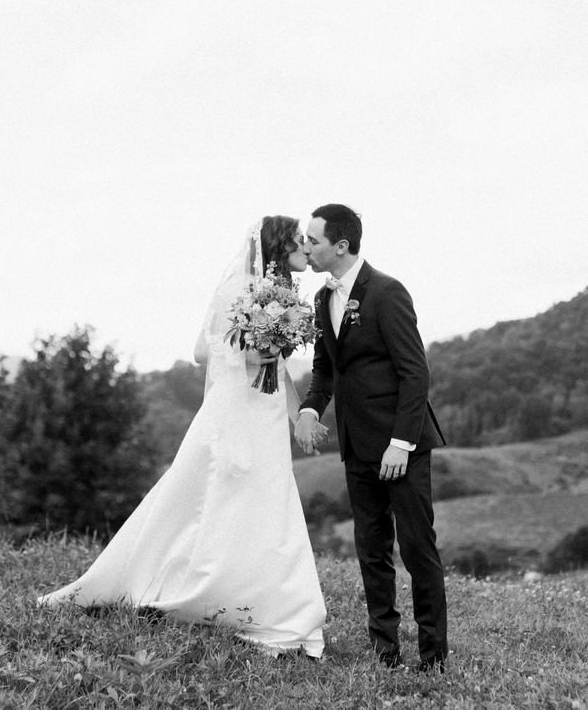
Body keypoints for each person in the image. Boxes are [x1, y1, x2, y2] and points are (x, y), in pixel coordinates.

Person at [39, 216, 328, 658]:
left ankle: (268, 599)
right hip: (236, 411)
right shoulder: (240, 288)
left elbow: (282, 369)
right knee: (201, 497)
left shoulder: (284, 295)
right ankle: (183, 585)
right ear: (278, 247)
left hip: (266, 415)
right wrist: (253, 351)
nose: (306, 248)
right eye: (298, 241)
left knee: (269, 500)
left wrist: (296, 416)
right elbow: (200, 351)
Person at [295, 203, 448, 673]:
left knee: (417, 549)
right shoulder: (322, 299)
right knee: (372, 550)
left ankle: (433, 657)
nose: (305, 247)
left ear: (341, 245)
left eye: (313, 240)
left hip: (401, 446)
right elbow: (325, 369)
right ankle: (385, 651)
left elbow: (414, 372)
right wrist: (308, 410)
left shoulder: (386, 291)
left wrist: (401, 443)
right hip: (356, 444)